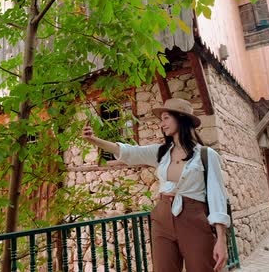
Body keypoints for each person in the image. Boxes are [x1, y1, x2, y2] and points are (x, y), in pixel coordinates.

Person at [82, 98, 230, 272]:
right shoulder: (161, 152)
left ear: (181, 118)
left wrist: (221, 240)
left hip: (195, 219)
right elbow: (129, 152)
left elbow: (217, 196)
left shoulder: (206, 155)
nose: (162, 124)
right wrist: (94, 140)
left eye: (166, 118)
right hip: (162, 219)